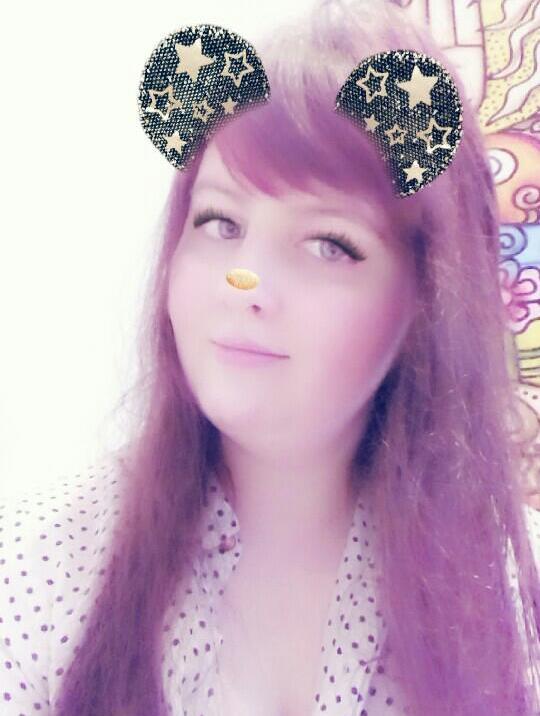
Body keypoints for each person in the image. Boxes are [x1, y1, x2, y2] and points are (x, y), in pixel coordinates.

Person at [2, 0, 540, 714]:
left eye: (328, 244)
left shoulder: (508, 587)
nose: (245, 280)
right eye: (219, 221)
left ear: (424, 298)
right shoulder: (38, 568)